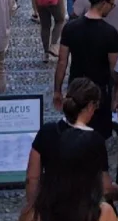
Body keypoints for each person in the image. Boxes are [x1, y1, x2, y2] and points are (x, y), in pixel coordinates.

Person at [26, 79, 112, 207]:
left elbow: (32, 178)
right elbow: (105, 187)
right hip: (82, 211)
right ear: (90, 107)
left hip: (51, 207)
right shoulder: (95, 140)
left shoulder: (47, 131)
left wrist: (34, 208)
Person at [54, 0, 118, 138]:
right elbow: (114, 68)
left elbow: (62, 62)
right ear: (104, 3)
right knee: (98, 136)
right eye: (112, 5)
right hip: (100, 91)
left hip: (75, 87)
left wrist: (57, 90)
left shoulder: (70, 27)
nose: (112, 9)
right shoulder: (110, 33)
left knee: (74, 130)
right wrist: (116, 94)